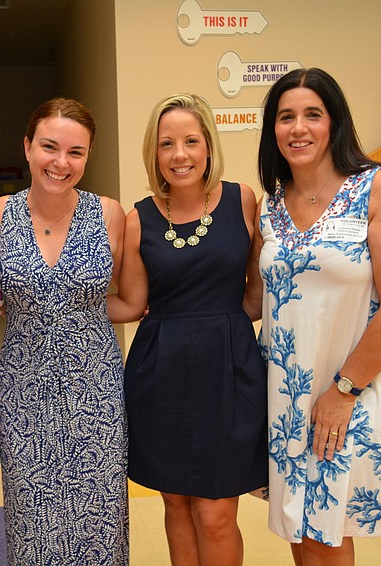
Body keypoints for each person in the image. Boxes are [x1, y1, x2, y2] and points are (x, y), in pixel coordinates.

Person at [243, 67, 381, 566]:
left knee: (328, 530)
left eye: (312, 115)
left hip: (354, 386)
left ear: (334, 123)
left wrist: (343, 390)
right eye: (285, 117)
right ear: (272, 130)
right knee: (302, 530)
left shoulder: (377, 189)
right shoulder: (271, 206)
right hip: (287, 392)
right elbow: (254, 301)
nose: (298, 128)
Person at [107, 93, 268, 566]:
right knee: (175, 501)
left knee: (217, 511)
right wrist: (58, 305)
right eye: (167, 144)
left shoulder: (243, 200)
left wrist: (223, 328)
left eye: (191, 141)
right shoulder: (138, 218)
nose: (180, 155)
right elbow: (134, 304)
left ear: (209, 147)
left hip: (228, 367)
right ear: (154, 154)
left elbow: (256, 295)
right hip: (161, 371)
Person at [0, 97, 129, 564]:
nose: (61, 162)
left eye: (76, 152)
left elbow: (131, 300)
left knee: (99, 515)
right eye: (49, 147)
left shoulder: (110, 213)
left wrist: (77, 314)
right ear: (27, 147)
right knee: (32, 518)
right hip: (24, 388)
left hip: (96, 385)